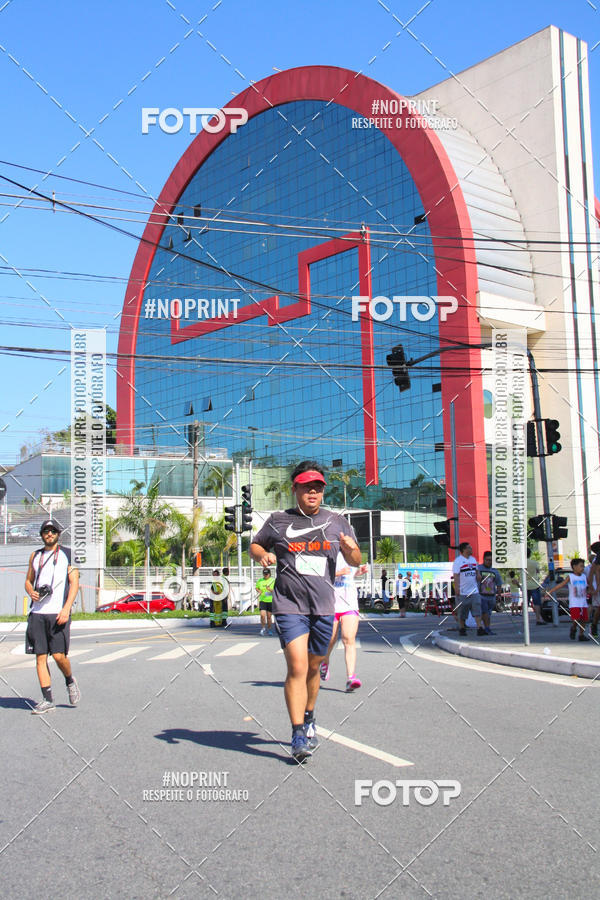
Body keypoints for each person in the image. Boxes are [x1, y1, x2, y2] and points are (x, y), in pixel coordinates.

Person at [250, 461, 361, 763]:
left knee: (314, 669)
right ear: (295, 488)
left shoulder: (337, 521)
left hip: (324, 607)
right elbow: (255, 546)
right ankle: (298, 732)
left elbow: (354, 559)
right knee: (298, 668)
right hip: (289, 605)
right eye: (306, 486)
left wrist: (351, 548)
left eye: (318, 487)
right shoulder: (278, 521)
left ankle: (309, 714)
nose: (313, 492)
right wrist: (265, 555)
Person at [24, 519, 80, 714]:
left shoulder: (68, 554)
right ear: (41, 535)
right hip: (37, 614)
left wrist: (66, 609)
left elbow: (74, 584)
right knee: (40, 657)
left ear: (58, 534)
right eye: (46, 531)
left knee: (58, 656)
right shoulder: (35, 556)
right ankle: (47, 699)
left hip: (58, 613)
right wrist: (30, 591)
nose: (49, 534)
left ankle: (69, 679)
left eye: (53, 531)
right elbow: (28, 580)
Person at [320, 556, 368, 690]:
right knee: (330, 639)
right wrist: (339, 573)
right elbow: (319, 575)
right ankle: (324, 661)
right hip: (331, 604)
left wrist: (359, 572)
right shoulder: (328, 551)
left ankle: (351, 677)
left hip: (350, 604)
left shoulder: (351, 554)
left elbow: (351, 573)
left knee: (349, 638)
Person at [546, 557, 590, 641]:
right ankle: (573, 628)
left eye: (583, 566)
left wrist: (591, 591)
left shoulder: (584, 577)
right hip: (575, 602)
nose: (582, 568)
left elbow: (588, 587)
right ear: (574, 566)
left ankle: (581, 635)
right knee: (576, 619)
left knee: (584, 619)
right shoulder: (571, 577)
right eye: (581, 566)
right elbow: (561, 585)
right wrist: (550, 591)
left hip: (583, 602)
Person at [452, 542, 485, 636]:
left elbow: (476, 570)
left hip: (474, 590)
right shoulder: (458, 561)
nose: (471, 549)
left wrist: (478, 575)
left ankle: (480, 628)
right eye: (469, 548)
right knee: (462, 611)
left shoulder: (473, 560)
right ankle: (462, 628)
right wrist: (457, 588)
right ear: (464, 550)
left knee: (477, 609)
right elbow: (456, 575)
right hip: (463, 592)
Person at [476, 551, 502, 634]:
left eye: (491, 560)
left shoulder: (495, 571)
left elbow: (499, 583)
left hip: (491, 596)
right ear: (483, 559)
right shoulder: (478, 569)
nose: (489, 562)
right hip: (481, 595)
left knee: (489, 613)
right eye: (487, 560)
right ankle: (487, 628)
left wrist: (499, 594)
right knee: (485, 612)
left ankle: (486, 627)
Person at [526, 547, 545, 625]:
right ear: (530, 554)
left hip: (525, 585)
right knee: (537, 603)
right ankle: (538, 619)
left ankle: (525, 619)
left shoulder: (520, 563)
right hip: (534, 585)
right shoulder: (535, 563)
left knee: (525, 603)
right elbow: (538, 572)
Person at [586, 542, 600, 637]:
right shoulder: (597, 559)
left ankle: (594, 625)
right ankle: (594, 625)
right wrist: (594, 587)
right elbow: (594, 572)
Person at [256, 567, 275, 635]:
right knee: (262, 615)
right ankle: (263, 628)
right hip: (262, 600)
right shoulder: (260, 580)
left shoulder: (273, 580)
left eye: (267, 574)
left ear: (269, 574)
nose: (265, 575)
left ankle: (269, 629)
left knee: (269, 617)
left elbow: (275, 591)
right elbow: (257, 588)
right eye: (264, 574)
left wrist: (269, 589)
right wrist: (259, 591)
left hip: (270, 600)